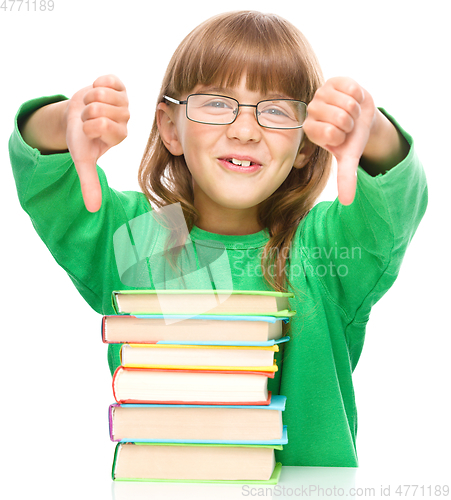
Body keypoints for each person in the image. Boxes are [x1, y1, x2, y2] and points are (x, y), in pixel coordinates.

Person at [9, 10, 427, 467]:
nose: (245, 130)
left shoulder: (321, 248)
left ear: (305, 144)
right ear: (170, 128)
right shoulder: (140, 241)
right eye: (215, 102)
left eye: (275, 110)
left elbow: (394, 204)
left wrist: (373, 133)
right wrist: (66, 119)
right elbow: (45, 179)